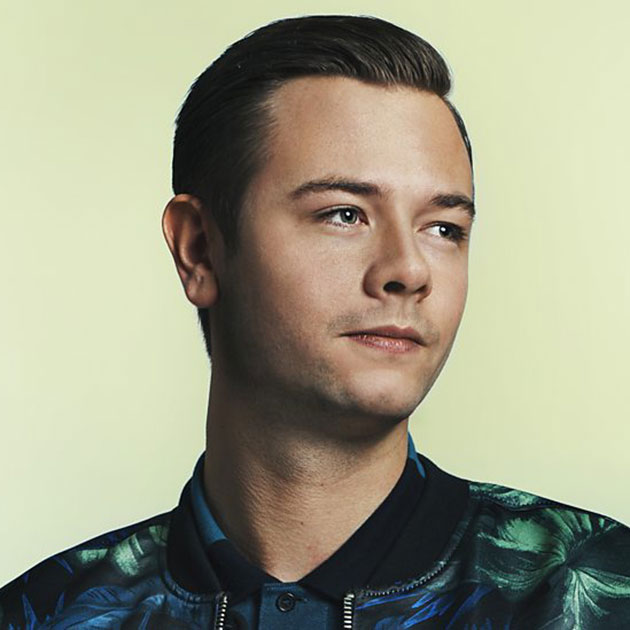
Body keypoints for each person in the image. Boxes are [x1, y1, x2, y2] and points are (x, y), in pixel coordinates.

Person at [1, 14, 629, 629]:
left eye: (443, 228)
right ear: (199, 250)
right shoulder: (41, 615)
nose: (409, 271)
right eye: (344, 214)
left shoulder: (598, 593)